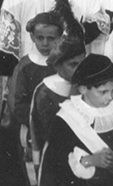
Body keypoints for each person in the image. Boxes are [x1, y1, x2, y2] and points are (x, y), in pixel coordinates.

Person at [37, 54, 113, 186]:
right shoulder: (65, 119)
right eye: (103, 92)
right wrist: (90, 161)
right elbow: (54, 168)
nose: (110, 97)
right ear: (83, 89)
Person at [0, 10, 63, 186]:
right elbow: (17, 103)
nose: (45, 43)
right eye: (40, 38)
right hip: (30, 130)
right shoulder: (25, 66)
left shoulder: (60, 64)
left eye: (51, 39)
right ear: (32, 37)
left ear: (59, 38)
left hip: (57, 127)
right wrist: (37, 123)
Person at [30, 36, 87, 171]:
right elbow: (51, 133)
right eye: (73, 64)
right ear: (57, 65)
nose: (80, 69)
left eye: (82, 63)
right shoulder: (46, 91)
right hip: (55, 154)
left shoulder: (87, 85)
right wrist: (73, 97)